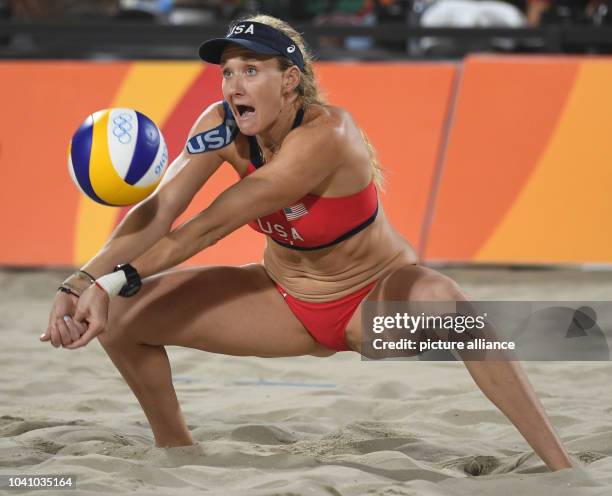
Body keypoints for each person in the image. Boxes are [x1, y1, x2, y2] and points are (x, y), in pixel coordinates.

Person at [41, 14, 574, 471]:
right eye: (228, 72)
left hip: (372, 297)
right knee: (121, 319)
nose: (234, 86)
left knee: (455, 309)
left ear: (290, 79)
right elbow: (159, 212)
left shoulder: (327, 135)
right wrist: (82, 280)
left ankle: (561, 465)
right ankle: (177, 451)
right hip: (284, 300)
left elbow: (207, 227)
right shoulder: (222, 126)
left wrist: (108, 280)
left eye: (252, 70)